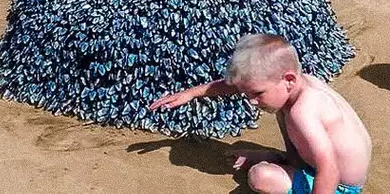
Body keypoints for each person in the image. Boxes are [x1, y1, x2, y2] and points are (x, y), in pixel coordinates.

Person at [150, 34, 371, 194]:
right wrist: (193, 93)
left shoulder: (303, 112)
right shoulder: (300, 84)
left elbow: (329, 168)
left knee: (261, 177)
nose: (251, 101)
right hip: (323, 167)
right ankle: (285, 160)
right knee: (280, 109)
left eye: (257, 94)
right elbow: (238, 85)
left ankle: (282, 163)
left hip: (338, 187)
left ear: (289, 80)